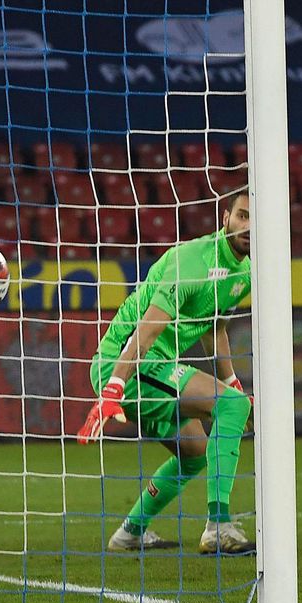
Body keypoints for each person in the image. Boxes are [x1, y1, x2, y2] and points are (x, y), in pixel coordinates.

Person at [78, 191, 255, 554]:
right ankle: (218, 527)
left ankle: (130, 532)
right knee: (232, 407)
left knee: (194, 452)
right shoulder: (190, 262)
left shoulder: (246, 272)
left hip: (156, 368)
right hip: (129, 365)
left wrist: (230, 381)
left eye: (256, 218)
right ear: (226, 218)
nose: (248, 226)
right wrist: (113, 388)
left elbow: (214, 325)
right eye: (242, 216)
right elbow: (146, 332)